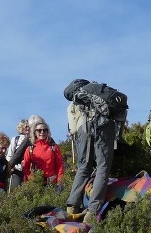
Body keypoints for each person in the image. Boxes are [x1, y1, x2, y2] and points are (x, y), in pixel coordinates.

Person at [65, 93, 117, 225]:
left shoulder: (75, 103)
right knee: (102, 168)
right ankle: (92, 211)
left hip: (83, 128)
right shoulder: (101, 98)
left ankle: (71, 207)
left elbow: (73, 128)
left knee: (83, 166)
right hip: (103, 126)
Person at [21, 116, 65, 186]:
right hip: (36, 185)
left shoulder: (54, 147)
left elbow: (60, 166)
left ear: (48, 132)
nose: (42, 132)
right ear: (34, 132)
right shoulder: (30, 149)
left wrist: (60, 181)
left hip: (52, 185)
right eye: (39, 130)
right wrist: (31, 180)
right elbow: (25, 167)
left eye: (45, 130)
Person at [6, 119, 31, 190]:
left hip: (28, 170)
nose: (27, 128)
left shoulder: (32, 139)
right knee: (15, 191)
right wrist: (10, 166)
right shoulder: (16, 139)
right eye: (25, 126)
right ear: (20, 128)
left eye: (29, 126)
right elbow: (9, 154)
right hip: (17, 170)